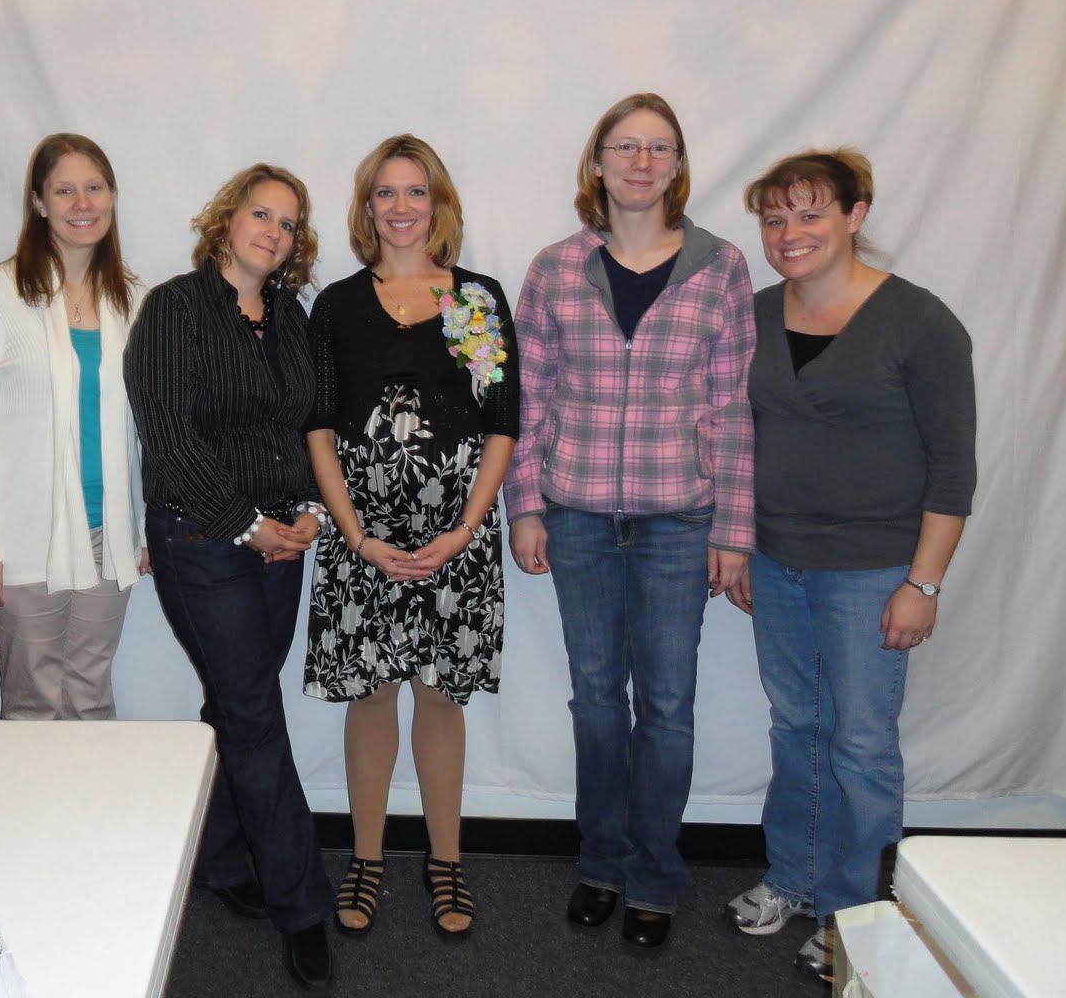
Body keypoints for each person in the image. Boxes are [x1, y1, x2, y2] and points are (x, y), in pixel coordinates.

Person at [504, 93, 755, 949]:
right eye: (625, 147)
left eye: (659, 148)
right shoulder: (555, 269)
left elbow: (733, 408)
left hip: (678, 522)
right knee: (596, 702)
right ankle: (601, 863)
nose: (641, 163)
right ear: (599, 163)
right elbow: (529, 399)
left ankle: (655, 875)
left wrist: (734, 530)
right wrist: (525, 505)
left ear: (678, 166)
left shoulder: (720, 269)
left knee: (669, 705)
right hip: (576, 517)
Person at [723, 149, 975, 983]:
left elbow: (953, 469)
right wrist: (739, 541)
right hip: (777, 563)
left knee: (861, 744)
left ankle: (854, 913)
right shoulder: (755, 315)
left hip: (872, 571)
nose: (789, 233)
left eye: (809, 214)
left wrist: (922, 583)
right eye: (775, 219)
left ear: (855, 215)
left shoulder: (918, 322)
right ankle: (795, 878)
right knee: (795, 726)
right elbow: (735, 439)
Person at [302, 135, 519, 940]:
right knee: (370, 693)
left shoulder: (476, 300)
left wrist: (464, 531)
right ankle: (365, 858)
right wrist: (356, 536)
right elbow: (318, 427)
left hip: (454, 540)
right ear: (368, 208)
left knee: (439, 694)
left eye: (416, 192)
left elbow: (502, 423)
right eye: (386, 193)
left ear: (439, 205)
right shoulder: (336, 305)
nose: (401, 207)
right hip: (363, 537)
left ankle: (445, 861)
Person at [124, 163, 336, 990]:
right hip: (202, 539)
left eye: (288, 223)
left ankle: (214, 860)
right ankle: (302, 905)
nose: (273, 232)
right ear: (227, 219)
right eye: (261, 214)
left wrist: (310, 512)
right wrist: (248, 524)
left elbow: (310, 424)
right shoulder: (175, 308)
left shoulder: (291, 316)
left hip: (282, 541)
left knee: (235, 703)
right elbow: (169, 435)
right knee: (252, 710)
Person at [0, 133, 146, 720]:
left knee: (90, 693)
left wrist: (137, 532)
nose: (82, 203)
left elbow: (141, 433)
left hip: (107, 535)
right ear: (38, 202)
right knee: (33, 702)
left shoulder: (133, 301)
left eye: (95, 188)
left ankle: (93, 788)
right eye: (64, 190)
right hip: (23, 539)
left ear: (113, 196)